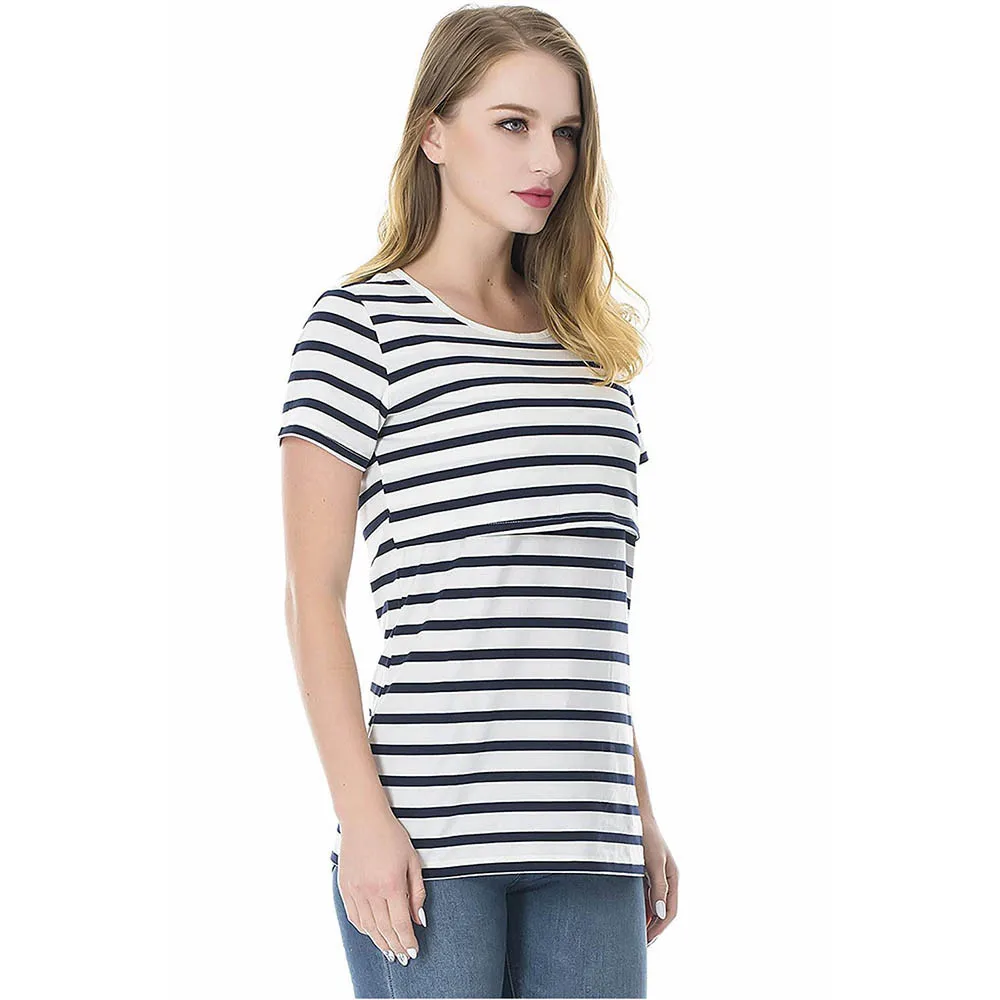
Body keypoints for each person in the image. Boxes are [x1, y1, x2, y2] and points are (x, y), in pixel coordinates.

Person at [278, 6, 678, 997]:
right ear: (433, 132)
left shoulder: (593, 354)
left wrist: (637, 805)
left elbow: (583, 608)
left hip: (589, 838)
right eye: (512, 124)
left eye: (566, 131)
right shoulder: (361, 326)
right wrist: (364, 820)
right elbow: (312, 595)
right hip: (430, 840)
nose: (548, 158)